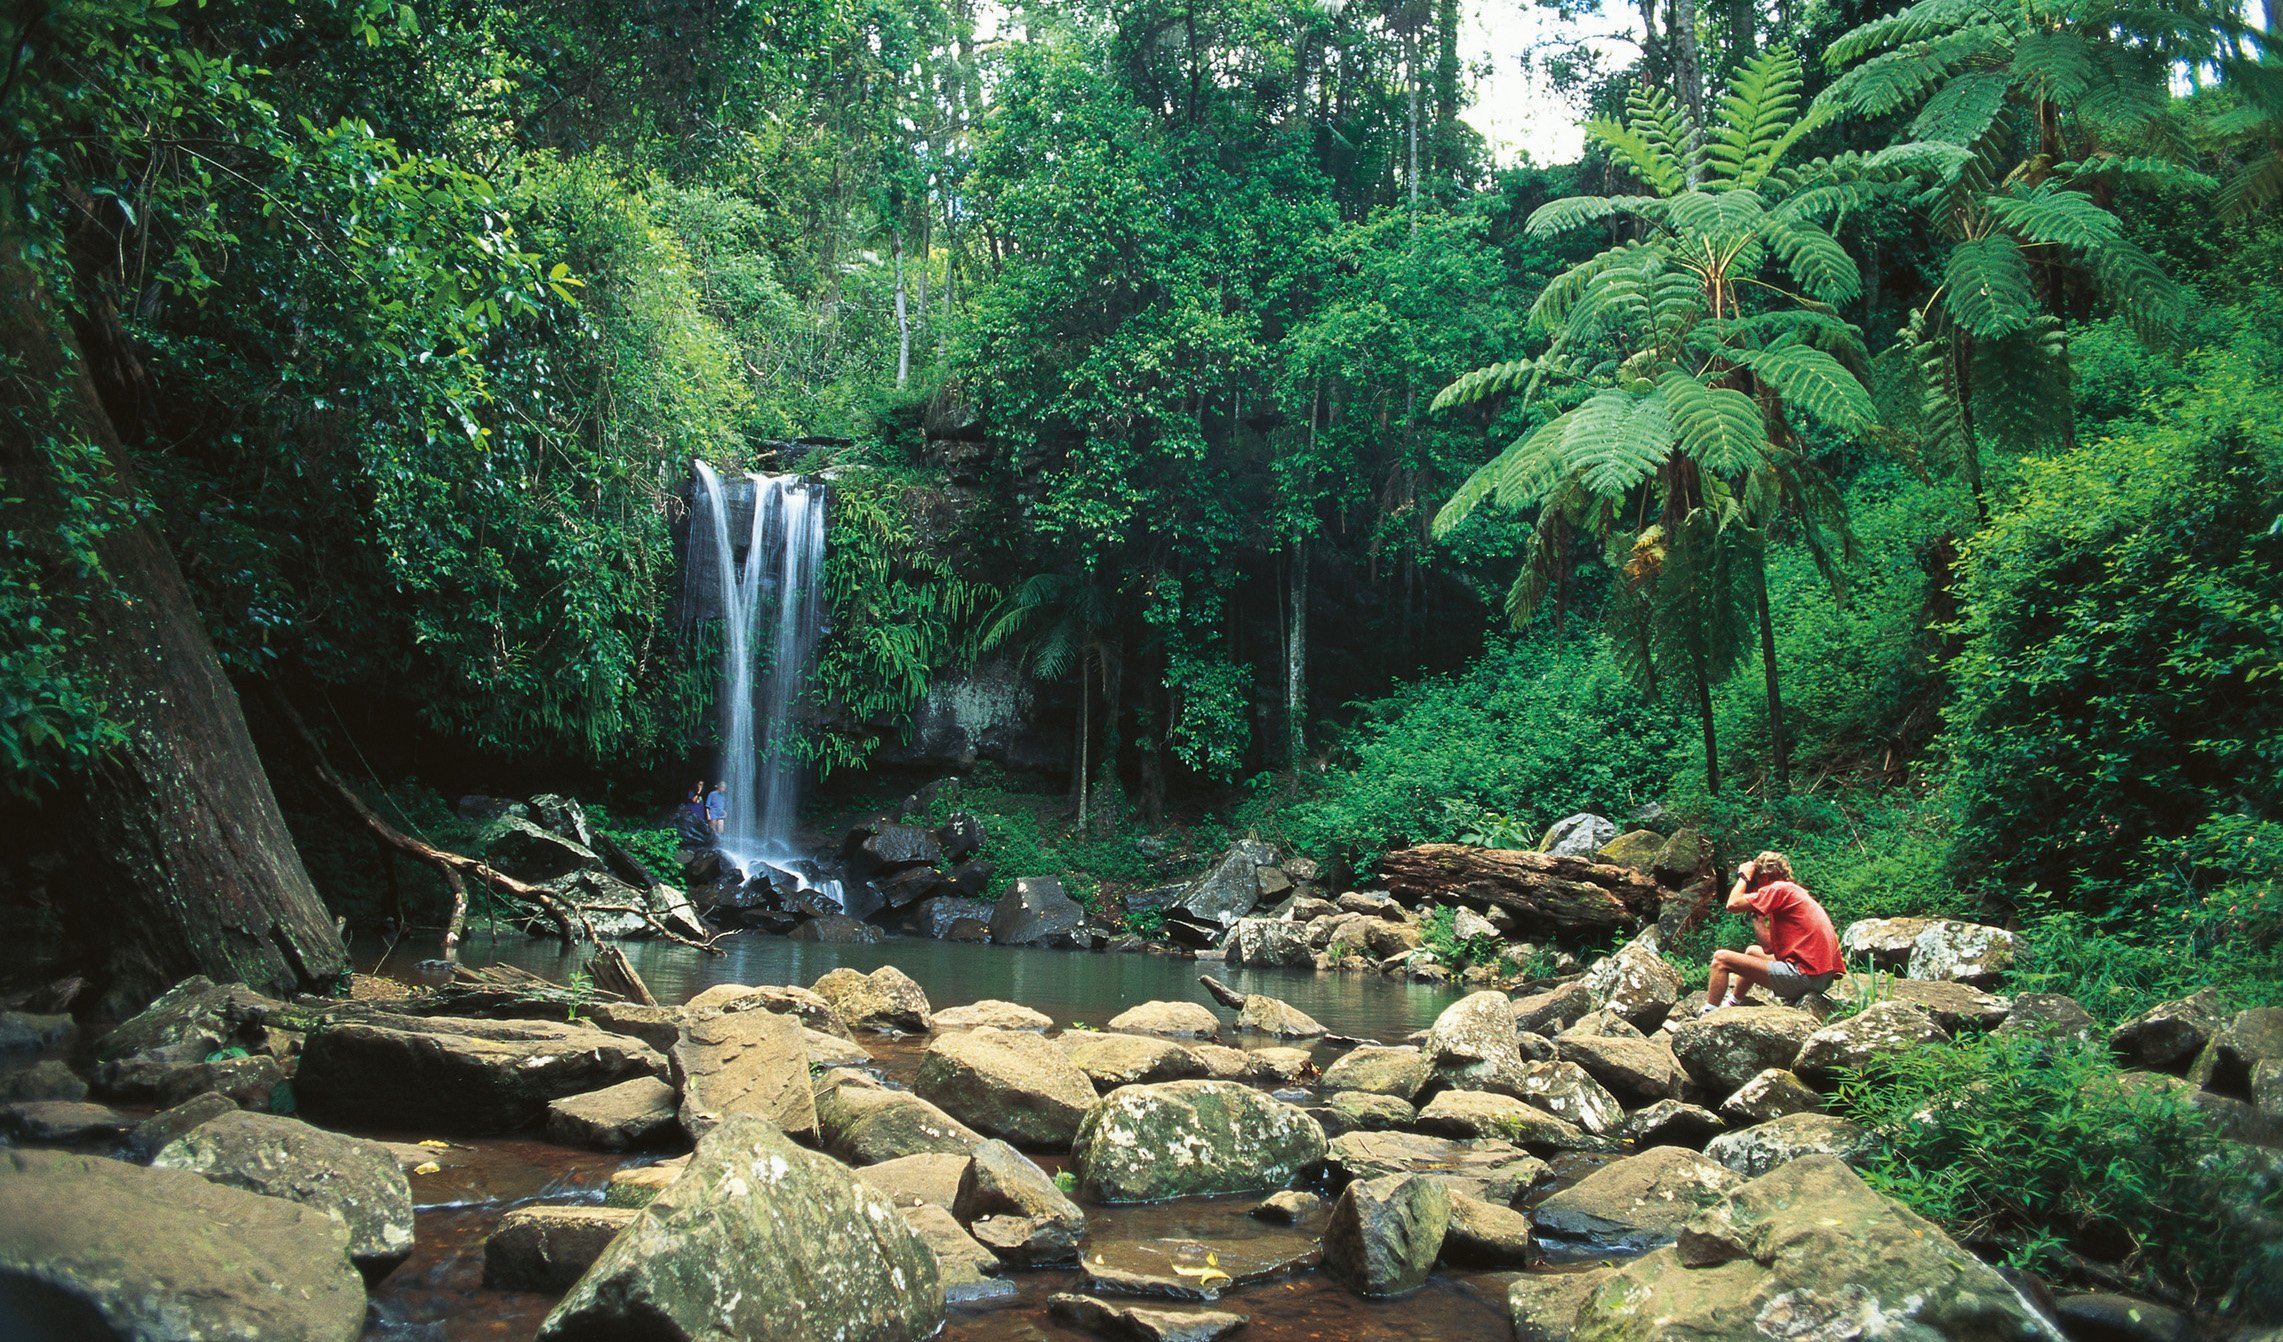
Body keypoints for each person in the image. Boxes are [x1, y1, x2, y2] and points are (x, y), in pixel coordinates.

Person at [1701, 851, 1842, 1013]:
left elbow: (1732, 904)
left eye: (1755, 883)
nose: (1754, 889)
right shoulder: (1792, 892)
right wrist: (1757, 914)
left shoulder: (1778, 889)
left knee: (1721, 959)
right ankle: (1732, 1003)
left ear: (1764, 878)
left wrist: (1744, 877)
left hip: (1806, 976)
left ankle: (1708, 1015)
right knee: (1752, 952)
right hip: (1820, 978)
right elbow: (1768, 948)